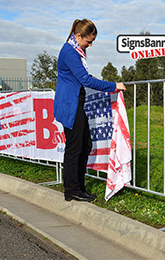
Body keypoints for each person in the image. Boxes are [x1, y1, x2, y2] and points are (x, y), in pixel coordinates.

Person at [54, 18, 126, 202]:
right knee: (75, 148)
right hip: (70, 104)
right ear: (78, 36)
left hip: (74, 102)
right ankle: (72, 191)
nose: (90, 45)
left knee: (84, 145)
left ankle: (79, 188)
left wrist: (94, 79)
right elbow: (85, 80)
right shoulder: (70, 51)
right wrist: (113, 85)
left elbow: (81, 76)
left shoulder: (75, 49)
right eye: (89, 40)